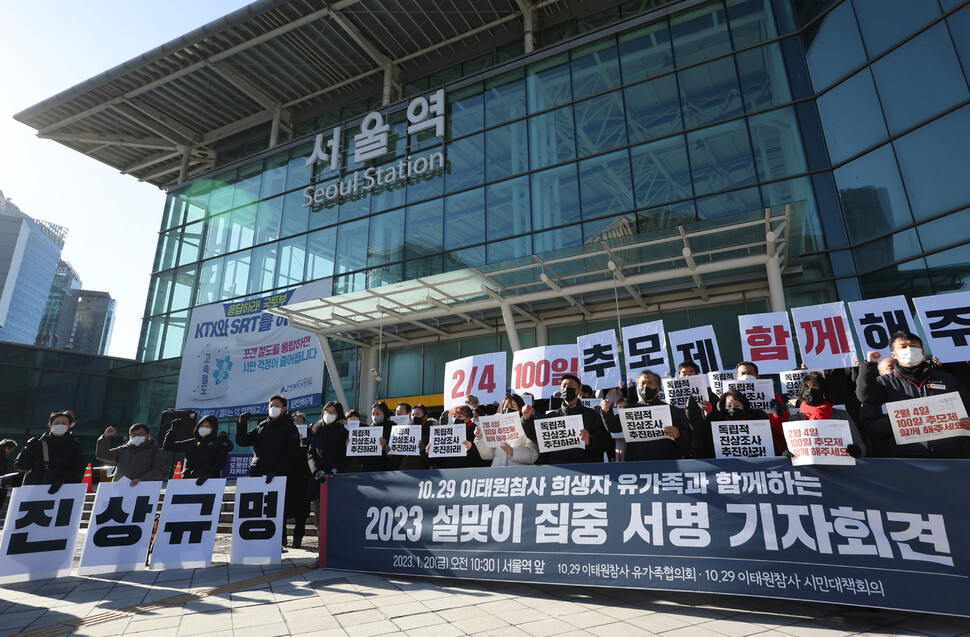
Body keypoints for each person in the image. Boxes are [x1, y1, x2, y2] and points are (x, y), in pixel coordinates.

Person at [856, 331, 970, 458]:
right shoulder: (884, 383)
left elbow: (967, 408)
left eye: (914, 345)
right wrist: (902, 421)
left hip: (952, 457)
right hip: (907, 461)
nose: (909, 349)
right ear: (894, 354)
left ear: (922, 351)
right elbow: (868, 423)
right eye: (903, 347)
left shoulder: (947, 379)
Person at [236, 394, 306, 546]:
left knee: (279, 509)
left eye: (277, 405)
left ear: (284, 408)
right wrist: (241, 424)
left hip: (280, 475)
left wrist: (277, 472)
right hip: (259, 474)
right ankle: (260, 540)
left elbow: (290, 453)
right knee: (260, 509)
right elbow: (243, 441)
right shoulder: (262, 426)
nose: (273, 408)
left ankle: (281, 539)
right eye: (271, 405)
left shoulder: (289, 427)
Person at [522, 374, 612, 464]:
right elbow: (536, 436)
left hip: (586, 467)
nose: (566, 389)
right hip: (558, 469)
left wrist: (589, 441)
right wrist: (527, 419)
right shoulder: (551, 416)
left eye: (571, 386)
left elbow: (606, 442)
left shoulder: (592, 415)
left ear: (579, 390)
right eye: (564, 386)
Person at [604, 371, 691, 461]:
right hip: (637, 465)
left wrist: (678, 434)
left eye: (650, 383)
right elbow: (613, 427)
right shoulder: (629, 410)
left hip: (666, 464)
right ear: (637, 387)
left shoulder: (672, 411)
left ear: (658, 388)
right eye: (642, 383)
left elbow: (687, 441)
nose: (645, 386)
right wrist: (606, 412)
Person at [789, 371, 866, 457]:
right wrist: (788, 454)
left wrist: (857, 451)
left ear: (824, 391)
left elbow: (860, 445)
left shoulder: (841, 416)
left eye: (815, 387)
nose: (810, 391)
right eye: (807, 388)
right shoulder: (795, 419)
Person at [15, 411, 85, 492]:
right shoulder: (37, 442)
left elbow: (77, 468)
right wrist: (28, 448)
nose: (60, 425)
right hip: (34, 487)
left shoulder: (74, 445)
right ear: (50, 426)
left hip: (62, 488)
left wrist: (62, 478)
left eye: (64, 423)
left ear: (69, 426)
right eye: (57, 423)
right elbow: (20, 465)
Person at [307, 401, 350, 528]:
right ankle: (322, 546)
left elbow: (347, 455)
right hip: (318, 479)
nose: (328, 414)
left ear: (339, 415)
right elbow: (310, 454)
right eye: (326, 411)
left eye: (332, 412)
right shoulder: (316, 431)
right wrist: (316, 471)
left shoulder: (344, 433)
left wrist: (337, 468)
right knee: (319, 519)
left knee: (335, 517)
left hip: (336, 478)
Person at [735, 361, 789, 453]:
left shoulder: (773, 396)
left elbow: (781, 430)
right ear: (737, 377)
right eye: (743, 373)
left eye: (750, 373)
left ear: (757, 376)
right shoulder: (731, 399)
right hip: (743, 444)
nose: (746, 376)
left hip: (771, 444)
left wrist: (778, 414)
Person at [474, 394, 538, 467]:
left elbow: (533, 455)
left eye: (513, 407)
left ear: (520, 409)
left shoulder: (527, 425)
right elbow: (487, 455)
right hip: (498, 472)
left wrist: (512, 451)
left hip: (519, 473)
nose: (508, 410)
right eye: (506, 407)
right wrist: (480, 437)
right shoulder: (495, 425)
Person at [162, 415, 228, 485]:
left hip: (208, 482)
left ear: (213, 429)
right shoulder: (192, 443)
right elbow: (168, 446)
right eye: (202, 426)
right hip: (187, 482)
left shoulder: (218, 443)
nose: (204, 428)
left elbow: (220, 462)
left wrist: (209, 475)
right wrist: (173, 431)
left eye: (208, 426)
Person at [97, 423, 165, 485]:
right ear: (130, 437)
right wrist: (106, 437)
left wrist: (142, 480)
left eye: (141, 434)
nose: (137, 436)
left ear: (147, 436)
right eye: (134, 434)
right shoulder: (123, 450)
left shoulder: (155, 451)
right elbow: (102, 455)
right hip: (119, 487)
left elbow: (158, 469)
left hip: (142, 488)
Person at [429, 405, 482, 469]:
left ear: (468, 418)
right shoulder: (447, 430)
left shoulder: (475, 430)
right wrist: (432, 450)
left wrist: (471, 447)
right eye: (454, 416)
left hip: (467, 468)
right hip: (448, 468)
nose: (455, 419)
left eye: (459, 416)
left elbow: (480, 453)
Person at [388, 404, 433, 470]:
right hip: (403, 470)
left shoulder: (429, 433)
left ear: (425, 416)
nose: (414, 417)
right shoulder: (403, 431)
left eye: (417, 414)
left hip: (421, 472)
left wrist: (423, 451)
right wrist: (390, 451)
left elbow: (433, 461)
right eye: (413, 414)